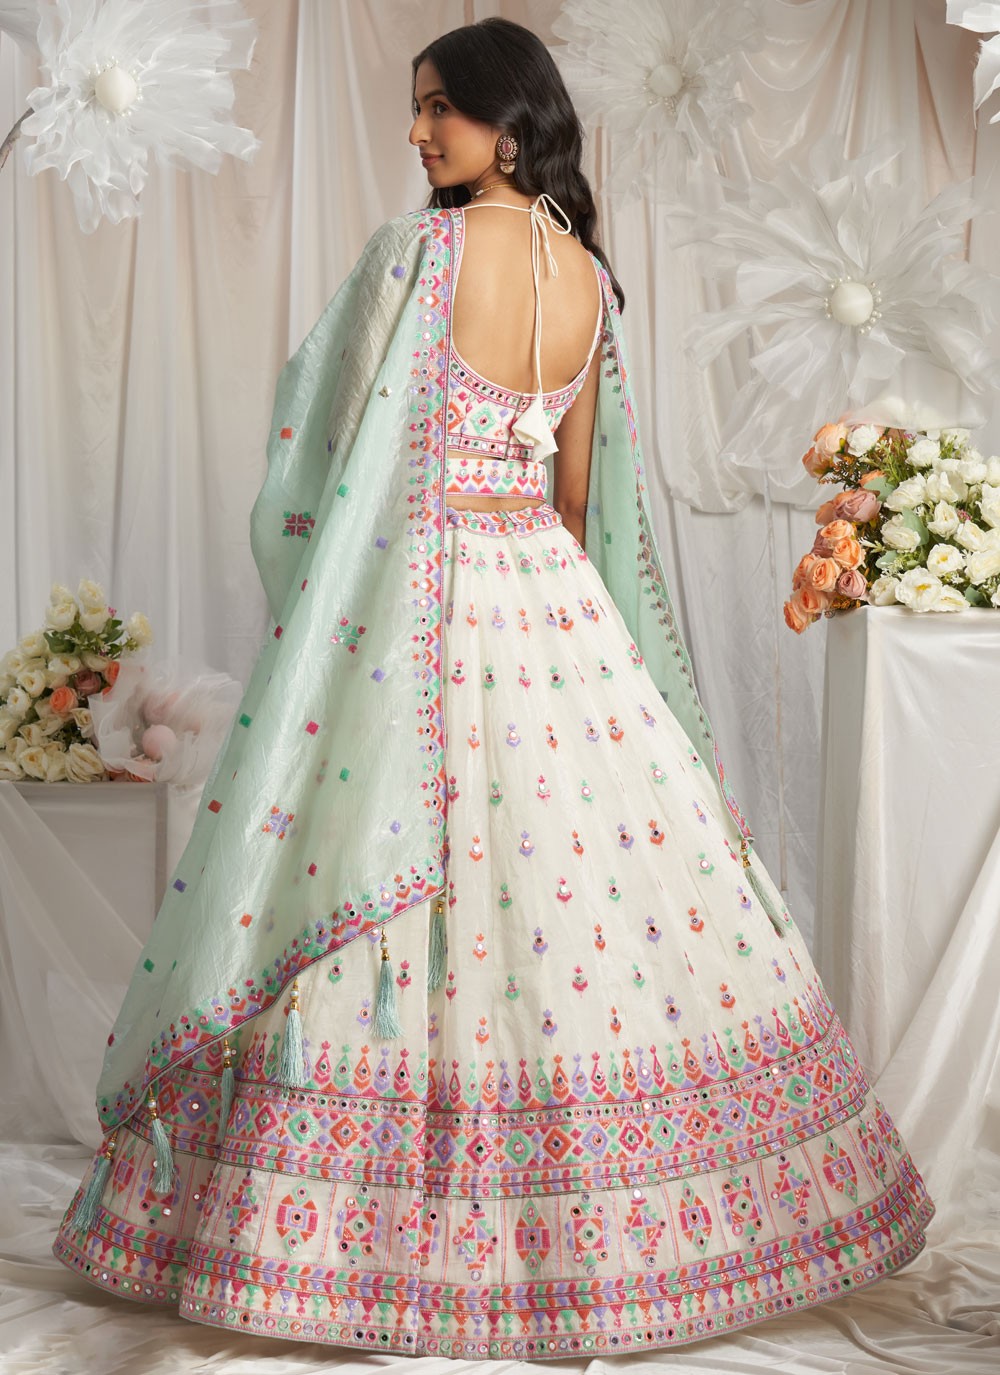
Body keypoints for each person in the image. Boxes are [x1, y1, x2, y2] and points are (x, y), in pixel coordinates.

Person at [53, 17, 932, 1360]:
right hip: (554, 604)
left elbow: (328, 451)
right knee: (575, 885)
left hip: (429, 598)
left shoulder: (419, 256)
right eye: (416, 109)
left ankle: (357, 1247)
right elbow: (578, 496)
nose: (417, 134)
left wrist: (330, 592)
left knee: (392, 862)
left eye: (439, 111)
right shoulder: (589, 278)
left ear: (509, 127)